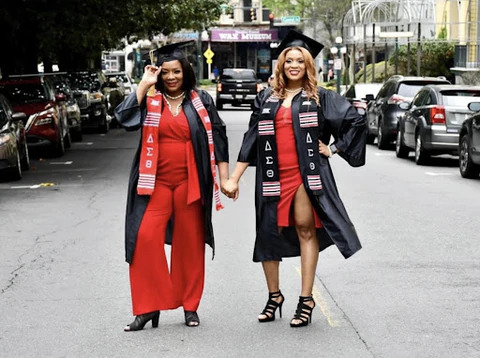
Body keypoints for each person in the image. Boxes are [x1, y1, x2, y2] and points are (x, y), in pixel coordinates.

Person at [223, 30, 366, 328]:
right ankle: (274, 296)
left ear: (308, 65)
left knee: (305, 230)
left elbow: (356, 120)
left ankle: (306, 299)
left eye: (300, 60)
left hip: (306, 173)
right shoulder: (266, 97)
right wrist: (234, 178)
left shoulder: (321, 97)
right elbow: (251, 139)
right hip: (272, 174)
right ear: (281, 64)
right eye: (289, 60)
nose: (293, 65)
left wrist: (334, 148)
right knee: (267, 232)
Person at [114, 41, 229, 331]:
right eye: (165, 73)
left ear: (185, 72)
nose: (171, 77)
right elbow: (123, 118)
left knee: (190, 244)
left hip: (191, 182)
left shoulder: (200, 100)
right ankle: (148, 307)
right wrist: (144, 83)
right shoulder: (151, 100)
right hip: (156, 183)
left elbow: (219, 136)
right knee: (143, 239)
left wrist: (225, 177)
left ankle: (189, 306)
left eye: (176, 71)